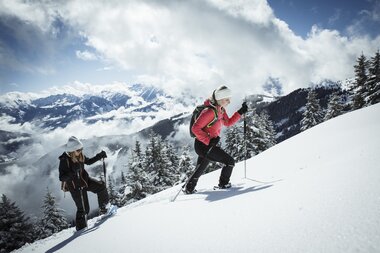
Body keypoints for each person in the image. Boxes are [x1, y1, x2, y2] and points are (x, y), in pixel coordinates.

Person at [185, 85, 248, 194]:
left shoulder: (220, 110)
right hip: (204, 145)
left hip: (207, 144)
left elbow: (227, 122)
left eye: (229, 99)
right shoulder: (209, 112)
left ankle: (189, 188)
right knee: (229, 162)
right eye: (226, 99)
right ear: (219, 99)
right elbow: (195, 128)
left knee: (201, 167)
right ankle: (223, 184)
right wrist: (209, 140)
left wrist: (240, 112)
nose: (229, 101)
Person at [58, 136, 110, 231]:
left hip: (85, 181)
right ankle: (80, 229)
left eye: (81, 149)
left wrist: (99, 156)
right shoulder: (64, 160)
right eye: (78, 150)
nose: (80, 151)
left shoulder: (80, 155)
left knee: (101, 186)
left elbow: (89, 161)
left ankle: (104, 209)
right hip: (75, 187)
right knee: (84, 209)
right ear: (72, 150)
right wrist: (73, 171)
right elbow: (62, 177)